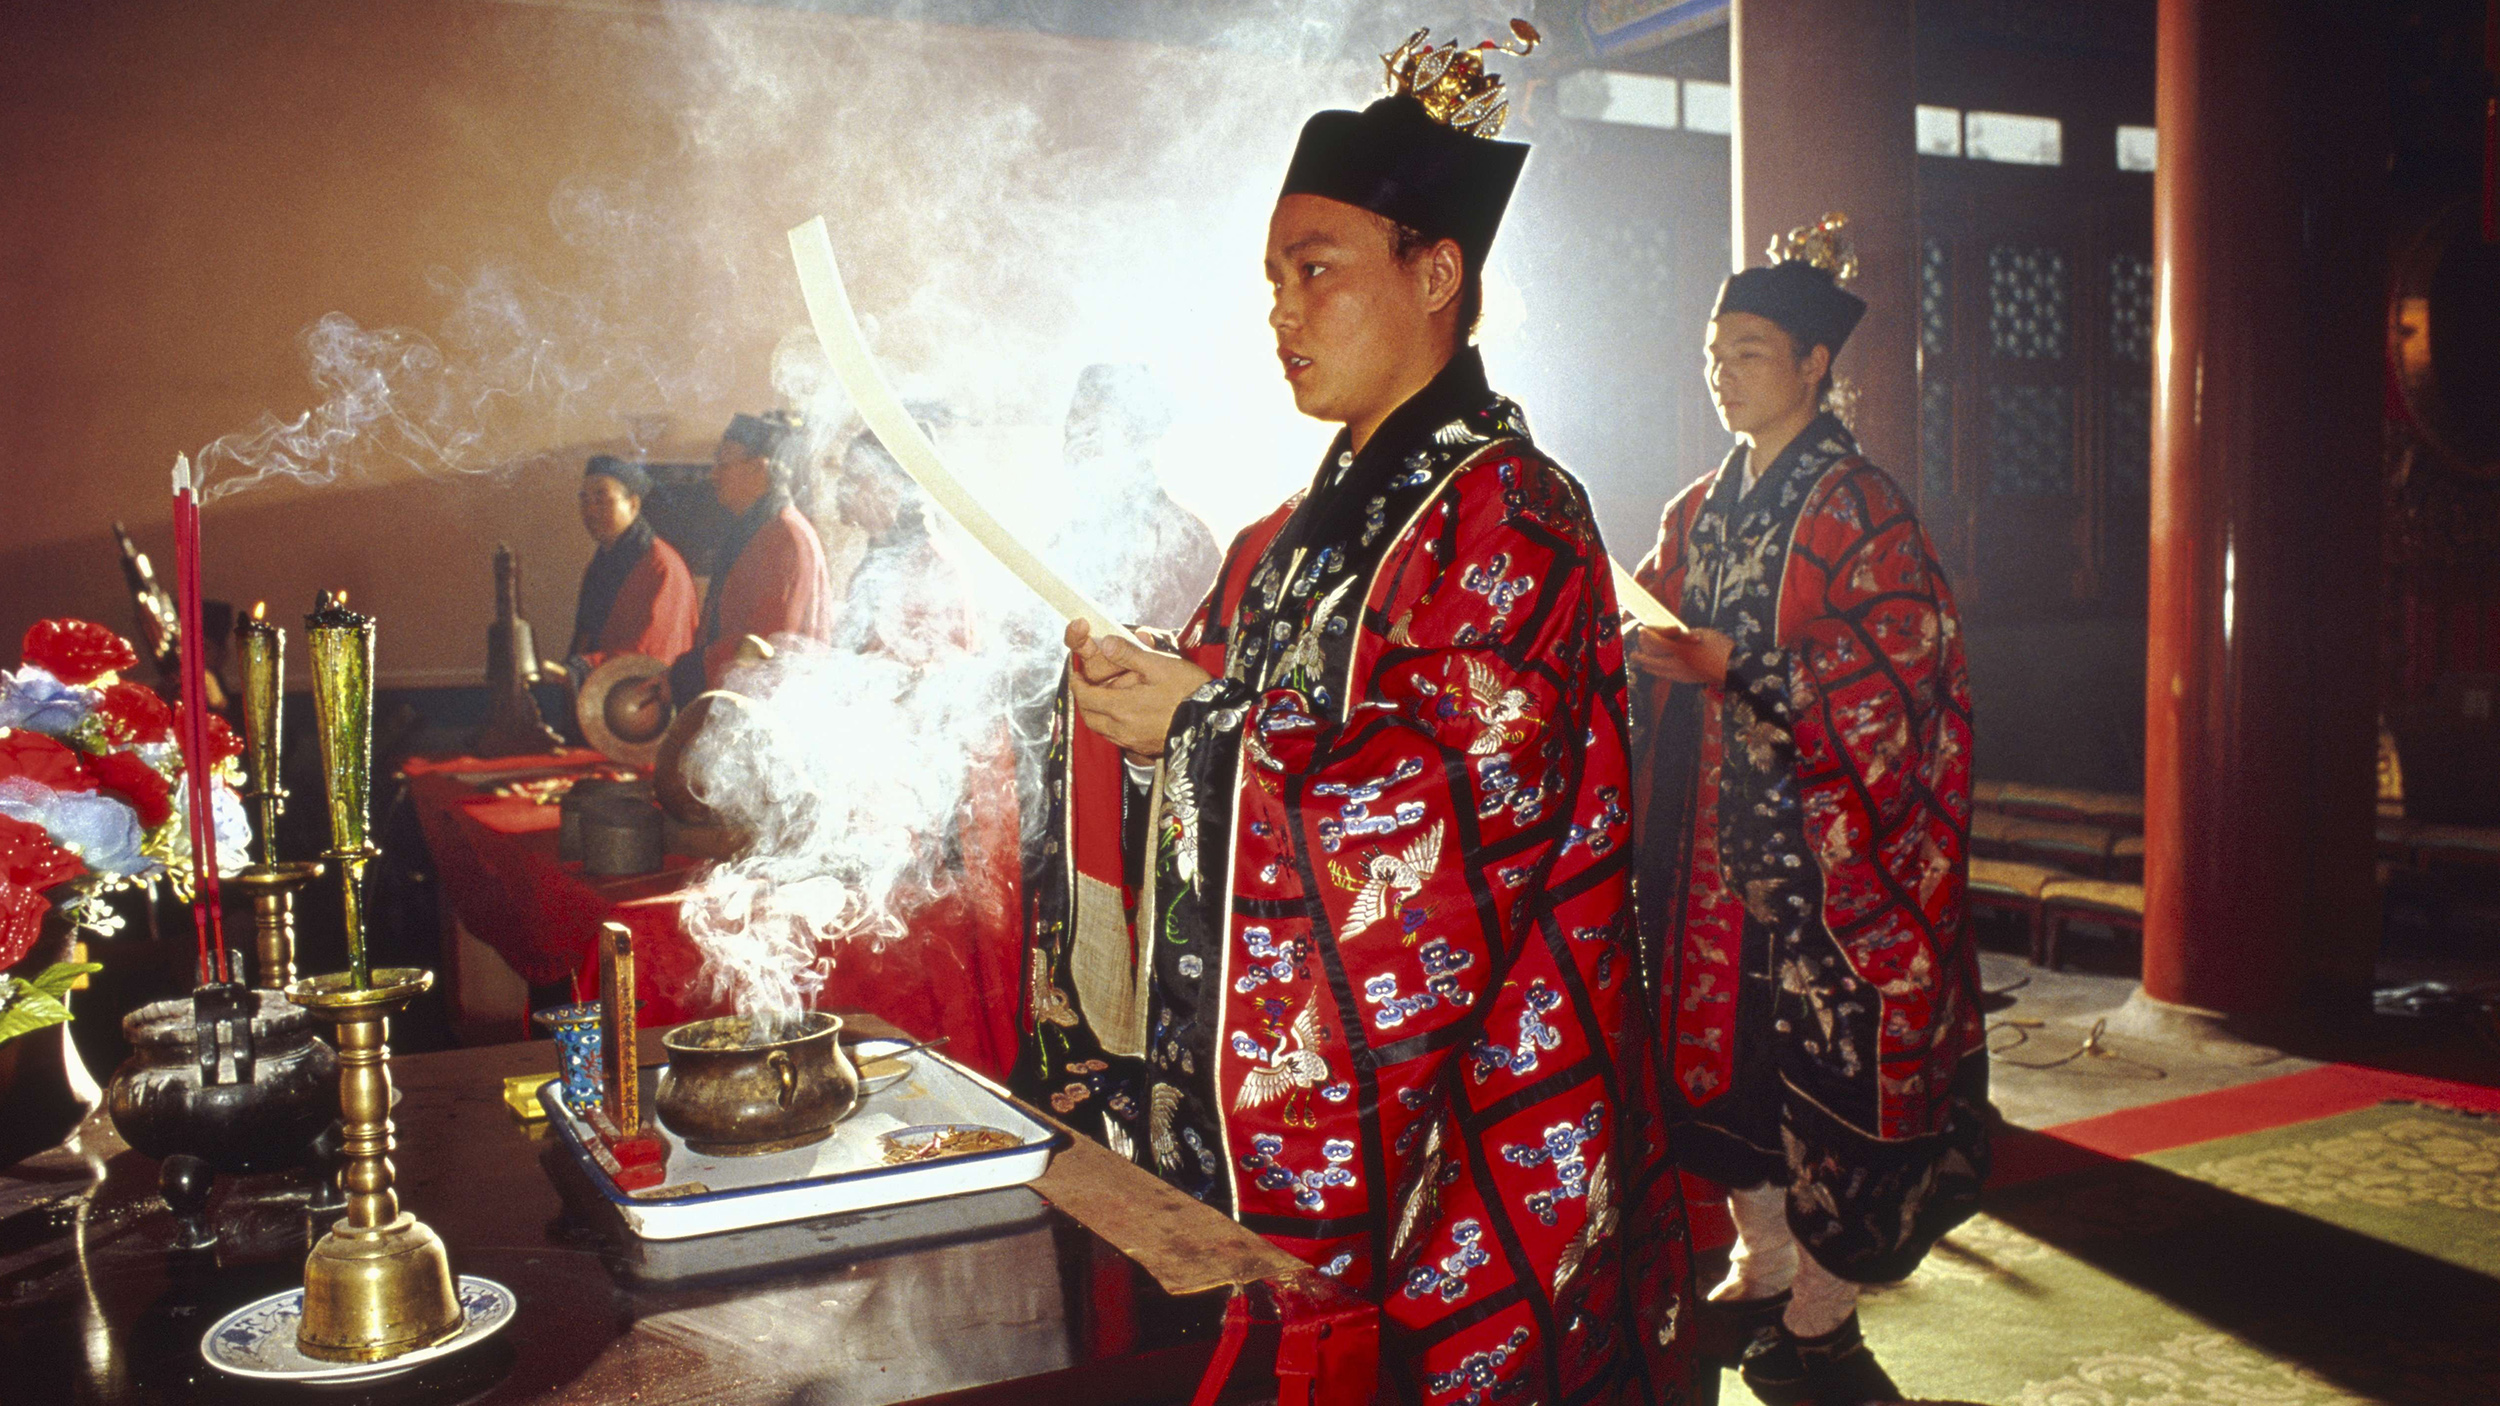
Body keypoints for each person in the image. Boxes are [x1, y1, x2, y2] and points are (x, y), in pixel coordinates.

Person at [1014, 28, 1691, 1404]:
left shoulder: (1519, 512)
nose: (1281, 312)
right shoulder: (1300, 528)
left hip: (1485, 1103)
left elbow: (1447, 804)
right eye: (1273, 278)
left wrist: (1202, 736)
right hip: (1326, 1103)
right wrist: (1136, 700)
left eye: (1316, 269)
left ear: (1436, 275)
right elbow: (1232, 706)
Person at [1626, 215, 1987, 1406]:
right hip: (1707, 843)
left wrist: (1740, 662)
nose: (1723, 370)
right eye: (1713, 349)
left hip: (1829, 856)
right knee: (1720, 1072)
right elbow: (1650, 612)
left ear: (1815, 365)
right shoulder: (1699, 504)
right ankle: (1761, 1260)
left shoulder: (1855, 503)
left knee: (1821, 1074)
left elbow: (1905, 652)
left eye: (1749, 350)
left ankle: (1821, 1310)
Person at [667, 411, 834, 705]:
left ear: (759, 469)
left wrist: (686, 675)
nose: (714, 474)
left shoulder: (785, 536)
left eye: (723, 464)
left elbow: (766, 644)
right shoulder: (757, 530)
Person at [1044, 363, 1221, 635]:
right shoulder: (1065, 544)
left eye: (1092, 430)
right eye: (1071, 432)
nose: (1076, 446)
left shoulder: (1187, 543)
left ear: (1139, 438)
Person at [566, 455, 698, 675]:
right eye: (584, 500)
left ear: (633, 504)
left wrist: (581, 668)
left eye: (601, 499)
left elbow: (650, 652)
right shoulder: (601, 562)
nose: (590, 510)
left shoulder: (660, 565)